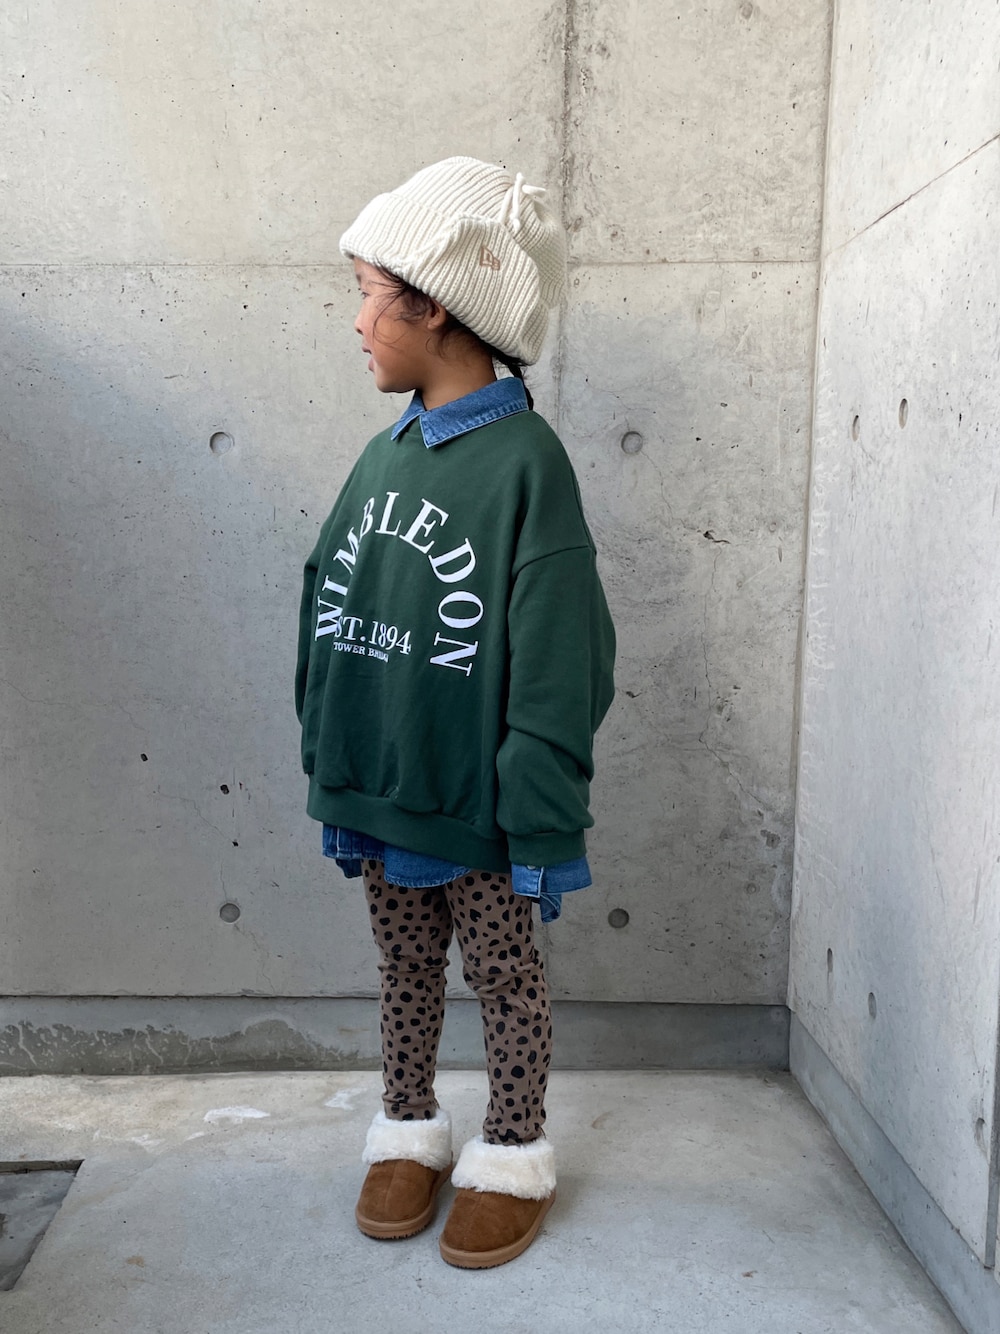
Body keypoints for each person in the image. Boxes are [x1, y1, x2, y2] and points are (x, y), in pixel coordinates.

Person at [295, 156, 615, 1268]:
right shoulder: (381, 457)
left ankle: (512, 1148)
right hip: (384, 789)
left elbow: (564, 655)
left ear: (433, 305)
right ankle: (408, 1130)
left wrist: (540, 813)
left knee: (504, 976)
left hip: (479, 807)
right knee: (402, 968)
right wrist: (329, 748)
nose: (356, 324)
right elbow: (329, 600)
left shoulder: (526, 463)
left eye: (368, 295)